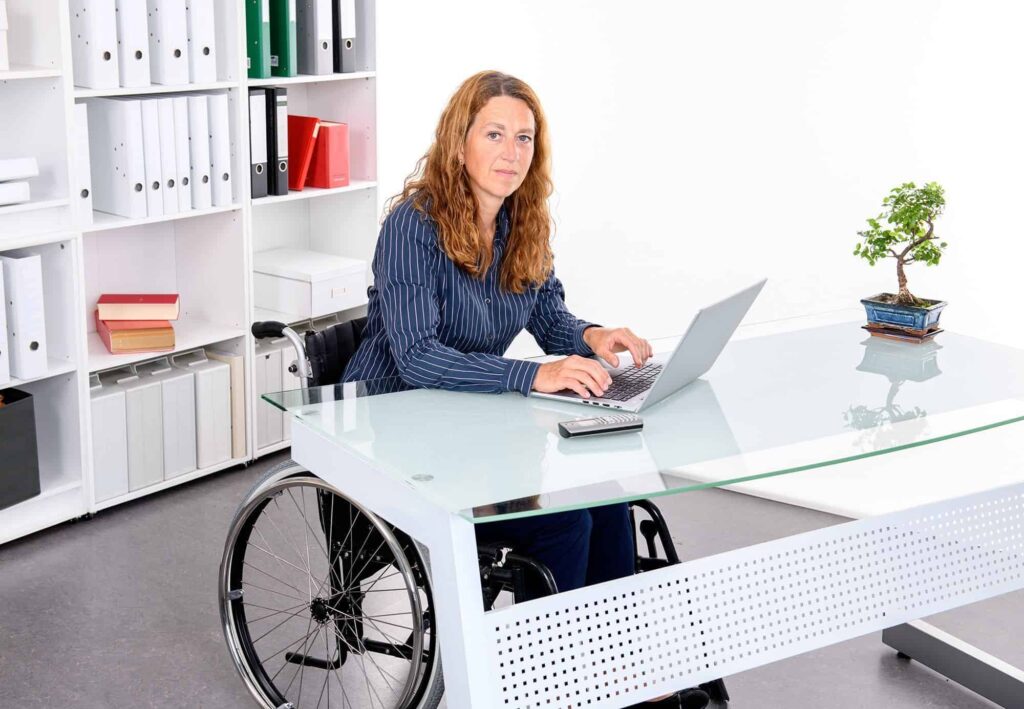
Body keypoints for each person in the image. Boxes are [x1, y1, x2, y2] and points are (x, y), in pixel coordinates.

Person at [343, 70, 708, 709]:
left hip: (463, 421)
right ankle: (547, 685)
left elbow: (548, 319)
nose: (512, 153)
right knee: (562, 528)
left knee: (608, 503)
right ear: (460, 142)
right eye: (495, 134)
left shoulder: (521, 223)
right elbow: (419, 357)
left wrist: (592, 335)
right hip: (395, 425)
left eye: (525, 138)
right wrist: (534, 374)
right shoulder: (413, 225)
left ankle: (619, 669)